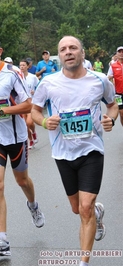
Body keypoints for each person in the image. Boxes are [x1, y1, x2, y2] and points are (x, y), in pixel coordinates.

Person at [31, 35, 118, 266]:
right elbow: (35, 110)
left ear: (82, 53)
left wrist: (111, 119)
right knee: (76, 209)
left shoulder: (99, 80)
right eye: (63, 49)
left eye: (73, 48)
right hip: (62, 153)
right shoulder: (48, 83)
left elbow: (112, 104)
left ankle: (83, 262)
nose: (68, 52)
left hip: (92, 150)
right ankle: (97, 214)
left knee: (85, 208)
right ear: (59, 56)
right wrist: (43, 122)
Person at [0, 32, 45, 257]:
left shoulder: (12, 74)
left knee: (22, 180)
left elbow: (29, 104)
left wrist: (2, 110)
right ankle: (2, 240)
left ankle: (33, 205)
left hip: (16, 137)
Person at [19, 58, 39, 149]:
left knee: (29, 122)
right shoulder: (17, 77)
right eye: (20, 65)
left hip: (31, 103)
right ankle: (30, 140)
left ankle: (34, 132)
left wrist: (35, 92)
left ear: (28, 66)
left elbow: (39, 88)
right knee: (24, 125)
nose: (22, 67)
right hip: (21, 103)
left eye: (23, 65)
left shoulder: (33, 77)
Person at [107, 46, 123, 126]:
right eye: (119, 51)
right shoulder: (113, 66)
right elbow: (108, 77)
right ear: (116, 54)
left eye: (122, 51)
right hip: (118, 94)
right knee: (122, 113)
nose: (121, 53)